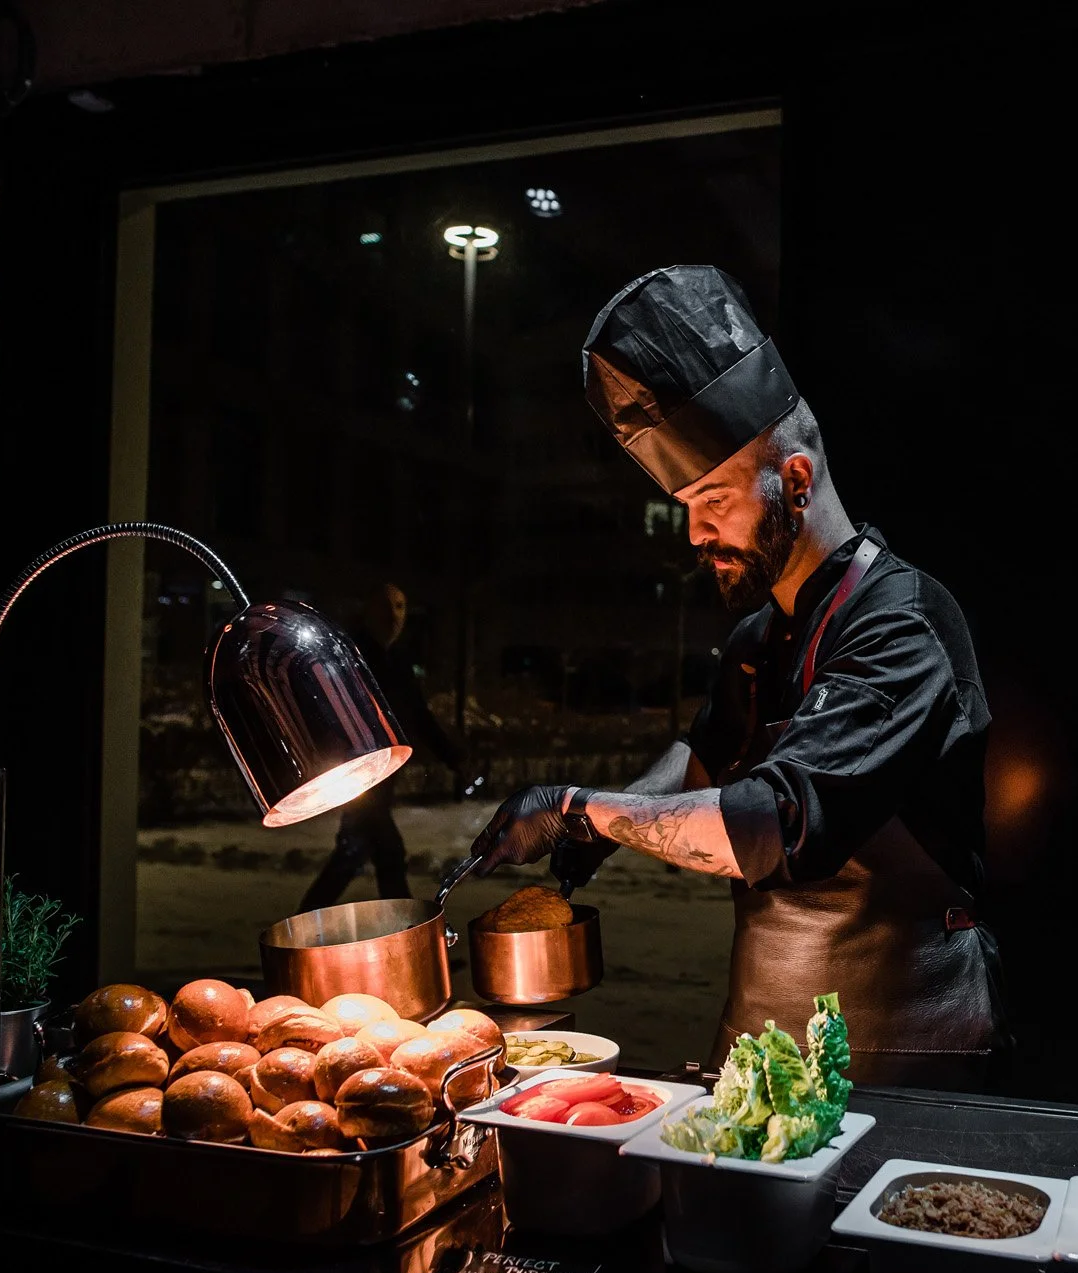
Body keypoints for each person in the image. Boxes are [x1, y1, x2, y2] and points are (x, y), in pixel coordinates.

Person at [466, 265, 1005, 1088]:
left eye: (712, 497)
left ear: (793, 479)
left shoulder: (904, 625)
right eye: (685, 503)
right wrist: (593, 821)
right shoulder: (760, 638)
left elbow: (775, 821)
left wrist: (586, 811)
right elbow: (701, 766)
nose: (693, 532)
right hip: (755, 1050)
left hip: (904, 1057)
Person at [300, 582, 463, 912]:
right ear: (369, 611)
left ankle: (301, 932)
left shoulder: (399, 662)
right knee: (387, 852)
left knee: (353, 855)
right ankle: (408, 940)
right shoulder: (351, 655)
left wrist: (454, 758)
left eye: (401, 607)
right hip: (359, 776)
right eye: (385, 606)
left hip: (382, 777)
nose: (393, 616)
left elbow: (418, 715)